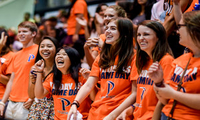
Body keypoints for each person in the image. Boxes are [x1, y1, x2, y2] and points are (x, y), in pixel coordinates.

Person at [67, 18, 136, 120]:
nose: (107, 31)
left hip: (119, 114)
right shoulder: (102, 57)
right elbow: (88, 85)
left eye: (113, 28)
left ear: (125, 34)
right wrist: (75, 104)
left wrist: (112, 116)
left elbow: (135, 93)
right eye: (107, 28)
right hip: (96, 112)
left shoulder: (134, 57)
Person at [116, 20, 174, 120]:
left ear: (158, 37)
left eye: (146, 34)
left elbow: (165, 100)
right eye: (138, 35)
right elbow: (140, 95)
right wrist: (130, 109)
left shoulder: (166, 61)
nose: (141, 38)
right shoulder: (139, 60)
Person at [148, 10, 200, 120]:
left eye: (180, 26)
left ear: (193, 29)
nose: (176, 31)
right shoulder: (180, 60)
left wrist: (173, 94)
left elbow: (171, 94)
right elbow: (164, 101)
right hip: (167, 116)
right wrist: (159, 82)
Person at [34, 47, 91, 120]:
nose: (59, 56)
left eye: (64, 54)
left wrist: (88, 79)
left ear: (72, 59)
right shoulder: (52, 77)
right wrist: (39, 72)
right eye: (58, 54)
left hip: (80, 118)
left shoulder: (82, 75)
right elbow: (39, 95)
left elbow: (93, 97)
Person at [0, 21, 38, 119]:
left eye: (24, 31)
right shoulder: (16, 55)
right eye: (19, 31)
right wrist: (3, 102)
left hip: (26, 102)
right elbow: (11, 81)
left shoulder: (38, 50)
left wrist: (33, 98)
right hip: (11, 102)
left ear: (33, 34)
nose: (21, 34)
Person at [28, 36, 59, 119]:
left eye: (49, 46)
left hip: (56, 109)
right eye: (42, 46)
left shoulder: (61, 68)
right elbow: (31, 95)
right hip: (37, 109)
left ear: (56, 48)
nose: (45, 49)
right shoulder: (35, 68)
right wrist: (33, 80)